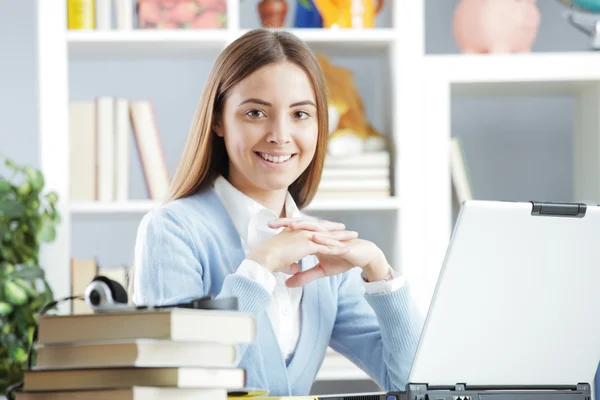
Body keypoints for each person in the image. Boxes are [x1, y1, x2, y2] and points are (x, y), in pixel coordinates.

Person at [130, 28, 424, 397]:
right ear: (218, 120)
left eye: (301, 114)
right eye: (256, 113)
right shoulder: (172, 231)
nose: (280, 135)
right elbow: (180, 384)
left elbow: (413, 383)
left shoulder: (321, 250)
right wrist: (261, 265)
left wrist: (380, 273)